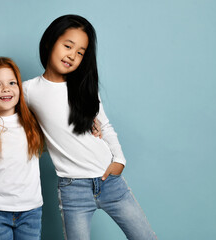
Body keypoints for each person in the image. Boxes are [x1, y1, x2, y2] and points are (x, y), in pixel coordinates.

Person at [22, 14, 157, 239]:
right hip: (73, 188)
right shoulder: (28, 90)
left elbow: (104, 125)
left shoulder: (84, 89)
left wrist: (120, 161)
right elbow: (2, 118)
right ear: (49, 42)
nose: (72, 56)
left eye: (80, 53)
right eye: (68, 46)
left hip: (110, 181)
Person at [0, 57, 44, 240]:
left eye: (12, 83)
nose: (6, 88)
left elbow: (62, 127)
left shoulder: (32, 121)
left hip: (31, 210)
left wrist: (93, 124)